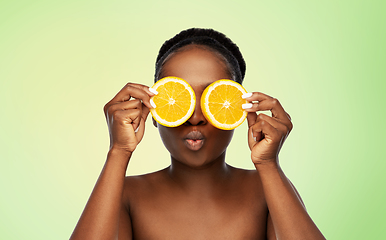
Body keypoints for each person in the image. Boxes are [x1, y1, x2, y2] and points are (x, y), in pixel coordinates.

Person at [70, 28, 326, 239]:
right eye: (179, 100)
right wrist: (119, 151)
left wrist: (268, 164)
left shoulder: (267, 190)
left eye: (212, 99)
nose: (195, 117)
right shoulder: (125, 194)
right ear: (155, 110)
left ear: (235, 111)